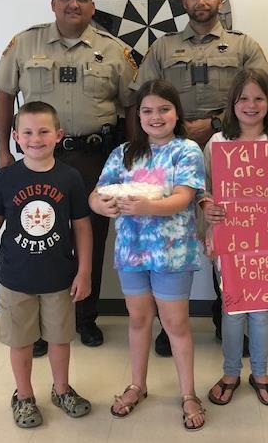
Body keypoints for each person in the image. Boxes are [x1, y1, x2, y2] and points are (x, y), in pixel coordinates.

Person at [130, 0, 268, 356]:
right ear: (184, 1)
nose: (201, 1)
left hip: (227, 146)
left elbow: (259, 94)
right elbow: (144, 96)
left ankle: (228, 316)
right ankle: (168, 323)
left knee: (229, 226)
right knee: (173, 229)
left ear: (219, 1)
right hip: (172, 150)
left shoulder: (244, 45)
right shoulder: (162, 48)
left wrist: (210, 125)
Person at [0, 0, 136, 355]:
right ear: (53, 3)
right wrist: (4, 153)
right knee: (40, 238)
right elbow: (5, 97)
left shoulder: (115, 51)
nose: (74, 4)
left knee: (92, 235)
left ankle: (84, 318)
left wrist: (133, 157)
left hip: (95, 159)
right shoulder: (25, 43)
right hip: (38, 160)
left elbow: (131, 106)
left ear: (92, 7)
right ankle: (39, 327)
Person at [89, 79, 207, 430]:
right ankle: (137, 385)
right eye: (147, 110)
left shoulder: (187, 151)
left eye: (164, 109)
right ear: (137, 115)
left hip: (171, 253)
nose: (156, 117)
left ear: (176, 113)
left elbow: (184, 199)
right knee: (138, 320)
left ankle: (188, 394)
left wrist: (146, 205)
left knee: (175, 324)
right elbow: (96, 194)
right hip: (132, 252)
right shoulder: (123, 153)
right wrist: (102, 206)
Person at [0, 101, 93, 428]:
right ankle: (23, 396)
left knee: (60, 339)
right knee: (20, 341)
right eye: (27, 132)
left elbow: (81, 225)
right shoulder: (6, 177)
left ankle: (62, 389)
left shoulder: (70, 177)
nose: (35, 138)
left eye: (43, 131)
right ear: (15, 136)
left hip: (59, 277)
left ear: (58, 135)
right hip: (16, 278)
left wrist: (84, 271)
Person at [202, 69, 268, 405]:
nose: (251, 105)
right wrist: (206, 206)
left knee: (262, 311)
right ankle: (231, 371)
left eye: (259, 98)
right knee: (232, 308)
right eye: (244, 98)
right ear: (233, 103)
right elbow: (203, 189)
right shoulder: (218, 144)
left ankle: (260, 372)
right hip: (232, 242)